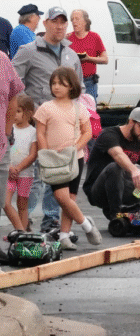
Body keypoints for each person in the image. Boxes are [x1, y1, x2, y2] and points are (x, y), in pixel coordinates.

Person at [13, 6, 84, 234]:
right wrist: (22, 114)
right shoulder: (28, 50)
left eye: (63, 22)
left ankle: (52, 221)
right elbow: (12, 83)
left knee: (59, 172)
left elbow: (79, 89)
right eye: (55, 21)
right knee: (32, 176)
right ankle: (25, 222)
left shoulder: (72, 55)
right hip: (35, 126)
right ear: (45, 24)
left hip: (63, 127)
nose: (60, 26)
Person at [33, 67, 101, 250]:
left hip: (74, 158)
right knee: (61, 196)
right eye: (53, 83)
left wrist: (74, 148)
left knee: (70, 197)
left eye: (61, 84)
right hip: (53, 159)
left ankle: (64, 236)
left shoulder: (79, 108)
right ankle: (86, 224)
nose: (56, 87)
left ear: (71, 86)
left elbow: (87, 132)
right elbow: (40, 133)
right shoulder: (46, 108)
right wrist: (46, 153)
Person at [0, 51, 25, 239]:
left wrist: (7, 133)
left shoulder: (2, 59)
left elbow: (13, 98)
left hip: (1, 145)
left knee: (0, 199)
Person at [4, 94, 37, 231]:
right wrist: (10, 168)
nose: (14, 114)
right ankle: (20, 230)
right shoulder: (8, 129)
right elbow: (4, 149)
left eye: (18, 111)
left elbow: (33, 154)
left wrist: (18, 168)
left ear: (28, 113)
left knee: (22, 205)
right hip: (8, 172)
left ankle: (21, 237)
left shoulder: (33, 132)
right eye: (13, 111)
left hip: (25, 175)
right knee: (5, 203)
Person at [67, 9, 107, 101]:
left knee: (90, 113)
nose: (74, 22)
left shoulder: (94, 37)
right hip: (72, 82)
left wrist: (88, 58)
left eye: (77, 19)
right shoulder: (68, 38)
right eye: (72, 19)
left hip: (89, 82)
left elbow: (105, 59)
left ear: (85, 21)